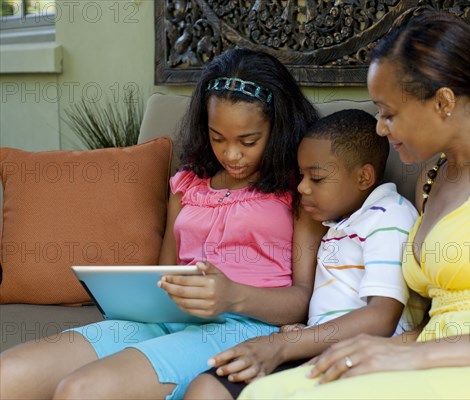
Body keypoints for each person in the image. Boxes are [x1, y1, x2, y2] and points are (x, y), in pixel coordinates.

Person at [237, 8, 470, 399]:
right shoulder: (432, 176)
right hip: (441, 363)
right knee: (269, 392)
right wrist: (383, 348)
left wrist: (415, 356)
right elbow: (442, 321)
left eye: (389, 113)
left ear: (443, 102)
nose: (379, 127)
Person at [0, 48, 324, 400]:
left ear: (278, 129)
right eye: (218, 138)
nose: (231, 154)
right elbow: (164, 272)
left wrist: (233, 297)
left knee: (80, 391)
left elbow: (303, 299)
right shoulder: (187, 185)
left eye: (248, 141)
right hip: (163, 319)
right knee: (8, 375)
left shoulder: (300, 190)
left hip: (244, 329)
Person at [185, 109, 426, 399]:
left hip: (362, 358)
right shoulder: (337, 222)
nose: (301, 187)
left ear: (364, 177)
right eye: (301, 176)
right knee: (209, 387)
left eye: (316, 178)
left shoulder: (390, 217)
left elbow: (380, 318)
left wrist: (285, 344)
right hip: (315, 347)